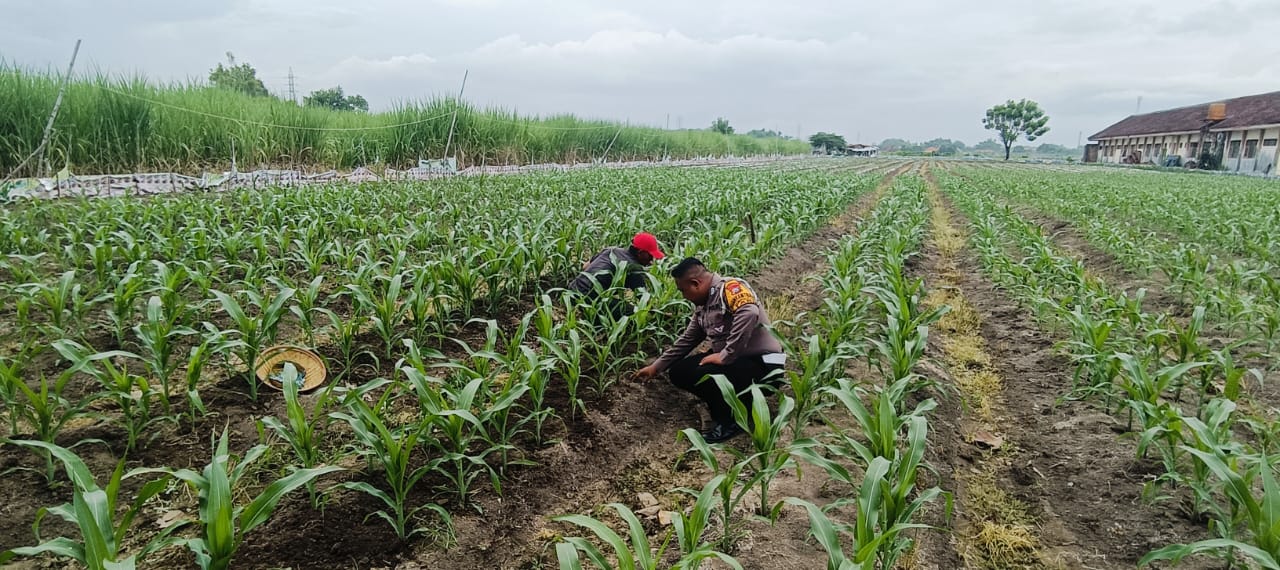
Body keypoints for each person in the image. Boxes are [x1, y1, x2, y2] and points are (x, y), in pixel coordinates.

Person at [634, 257, 786, 443]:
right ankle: (734, 402)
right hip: (738, 363)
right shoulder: (703, 306)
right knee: (680, 372)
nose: (683, 295)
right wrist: (656, 367)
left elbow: (749, 312)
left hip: (763, 364)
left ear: (695, 283)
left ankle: (731, 420)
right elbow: (687, 340)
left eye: (683, 290)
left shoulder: (730, 288)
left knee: (710, 374)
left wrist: (725, 355)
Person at [566, 232, 665, 319]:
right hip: (589, 301)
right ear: (641, 253)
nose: (651, 260)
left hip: (571, 291)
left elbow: (585, 266)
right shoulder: (634, 267)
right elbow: (643, 299)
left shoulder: (611, 250)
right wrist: (658, 314)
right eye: (650, 255)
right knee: (634, 312)